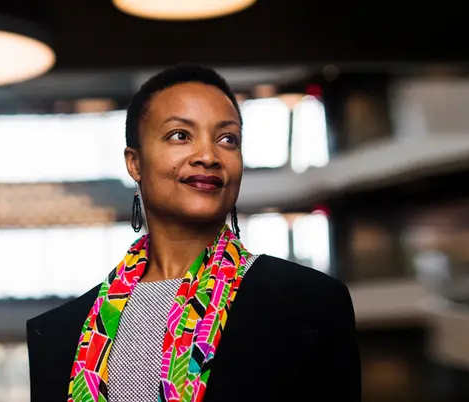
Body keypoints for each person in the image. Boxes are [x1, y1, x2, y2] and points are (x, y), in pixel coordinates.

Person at [26, 65, 360, 402]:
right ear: (135, 163)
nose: (208, 156)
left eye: (227, 139)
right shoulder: (58, 335)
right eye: (180, 135)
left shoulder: (309, 305)